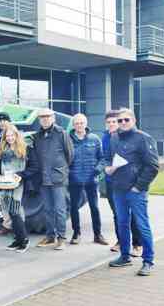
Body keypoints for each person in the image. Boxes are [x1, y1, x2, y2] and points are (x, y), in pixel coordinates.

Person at [105, 108, 159, 276]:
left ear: (133, 120)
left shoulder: (143, 138)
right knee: (122, 224)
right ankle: (124, 256)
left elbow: (153, 166)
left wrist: (138, 187)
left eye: (126, 120)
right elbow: (107, 157)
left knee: (142, 226)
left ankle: (148, 261)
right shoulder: (114, 138)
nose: (122, 123)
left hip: (136, 191)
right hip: (118, 189)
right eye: (119, 120)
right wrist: (107, 168)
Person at [102, 110, 143, 256]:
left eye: (115, 121)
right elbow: (105, 157)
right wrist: (106, 167)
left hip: (128, 181)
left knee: (132, 214)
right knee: (117, 214)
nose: (112, 124)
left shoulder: (125, 137)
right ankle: (121, 241)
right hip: (111, 182)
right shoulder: (106, 138)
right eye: (109, 122)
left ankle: (137, 244)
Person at [33, 108, 73, 251]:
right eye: (42, 117)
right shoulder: (37, 136)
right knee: (48, 210)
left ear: (53, 118)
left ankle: (61, 238)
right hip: (43, 179)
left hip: (58, 179)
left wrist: (60, 170)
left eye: (47, 116)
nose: (44, 119)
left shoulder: (62, 133)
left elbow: (70, 155)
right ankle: (50, 236)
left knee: (60, 210)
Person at [68, 113, 108, 246]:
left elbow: (102, 158)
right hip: (75, 179)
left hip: (91, 179)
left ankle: (98, 234)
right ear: (73, 125)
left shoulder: (95, 139)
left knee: (94, 207)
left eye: (81, 123)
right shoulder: (68, 139)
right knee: (74, 207)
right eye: (77, 123)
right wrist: (69, 173)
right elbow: (64, 159)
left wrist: (97, 169)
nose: (79, 125)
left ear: (86, 124)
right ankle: (76, 234)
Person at [0, 124, 29, 253]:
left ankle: (24, 240)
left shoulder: (23, 149)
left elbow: (28, 168)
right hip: (5, 184)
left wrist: (19, 176)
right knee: (10, 212)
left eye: (11, 135)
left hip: (17, 183)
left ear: (16, 135)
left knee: (15, 210)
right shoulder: (3, 149)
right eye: (7, 136)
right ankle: (18, 239)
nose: (9, 138)